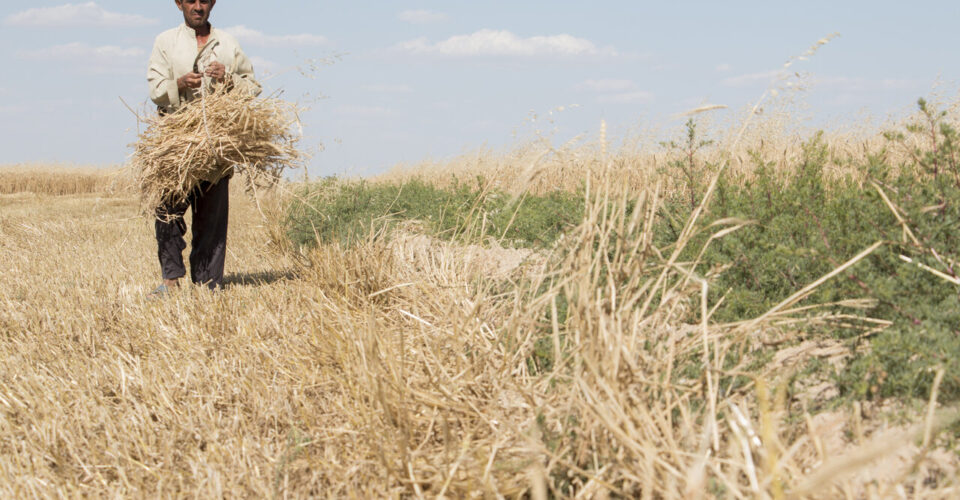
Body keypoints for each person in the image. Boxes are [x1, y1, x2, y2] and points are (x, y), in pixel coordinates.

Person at [146, 0, 260, 297]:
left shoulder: (228, 43)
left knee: (211, 219)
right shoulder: (166, 42)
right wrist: (180, 83)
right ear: (179, 3)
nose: (198, 6)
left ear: (213, 4)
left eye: (205, 1)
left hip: (215, 145)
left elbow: (253, 87)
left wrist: (230, 79)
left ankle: (208, 285)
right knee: (167, 213)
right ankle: (171, 280)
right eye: (192, 1)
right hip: (176, 144)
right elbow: (156, 90)